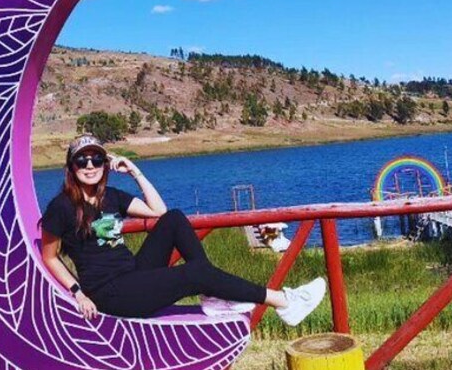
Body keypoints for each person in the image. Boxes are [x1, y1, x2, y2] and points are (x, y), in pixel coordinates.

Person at [40, 134, 326, 323]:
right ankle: (284, 302)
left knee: (175, 218)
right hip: (110, 293)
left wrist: (135, 171)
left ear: (105, 163)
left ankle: (212, 296)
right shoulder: (61, 207)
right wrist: (78, 292)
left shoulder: (111, 196)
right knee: (196, 272)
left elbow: (158, 211)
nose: (90, 166)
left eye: (97, 159)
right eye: (82, 160)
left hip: (133, 275)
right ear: (71, 166)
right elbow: (50, 256)